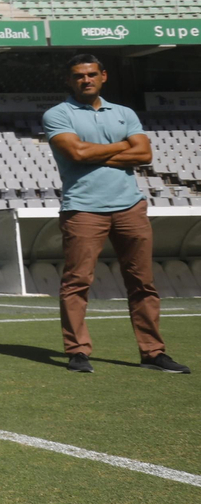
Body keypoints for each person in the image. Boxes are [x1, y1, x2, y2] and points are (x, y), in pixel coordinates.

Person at [43, 54, 189, 374]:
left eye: (92, 74)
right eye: (79, 76)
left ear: (103, 76)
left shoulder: (124, 113)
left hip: (130, 207)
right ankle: (78, 351)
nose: (86, 80)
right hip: (82, 209)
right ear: (69, 80)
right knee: (77, 283)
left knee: (143, 283)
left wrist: (95, 154)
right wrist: (122, 149)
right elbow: (77, 152)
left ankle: (153, 352)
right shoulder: (57, 114)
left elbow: (145, 153)